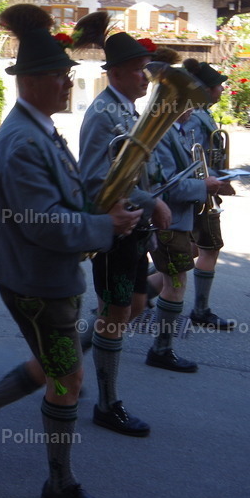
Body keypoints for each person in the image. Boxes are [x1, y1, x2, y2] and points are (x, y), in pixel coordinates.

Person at [0, 4, 141, 498]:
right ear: (32, 80)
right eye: (60, 75)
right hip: (35, 277)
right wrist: (105, 226)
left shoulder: (40, 127)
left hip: (43, 274)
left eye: (68, 74)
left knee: (54, 365)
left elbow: (63, 199)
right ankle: (60, 483)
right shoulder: (25, 138)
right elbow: (43, 222)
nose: (68, 83)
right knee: (68, 378)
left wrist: (103, 210)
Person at [76, 22, 171, 436]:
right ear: (114, 73)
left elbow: (135, 169)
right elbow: (94, 177)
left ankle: (64, 357)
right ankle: (107, 403)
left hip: (133, 226)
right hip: (114, 229)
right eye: (138, 69)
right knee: (115, 314)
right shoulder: (102, 114)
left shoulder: (127, 111)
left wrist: (152, 201)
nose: (144, 76)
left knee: (132, 307)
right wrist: (153, 201)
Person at [145, 103, 228, 373]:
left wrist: (213, 180)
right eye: (185, 102)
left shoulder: (177, 131)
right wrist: (203, 186)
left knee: (173, 279)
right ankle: (160, 349)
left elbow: (185, 174)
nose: (191, 109)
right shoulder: (163, 134)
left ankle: (156, 339)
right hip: (170, 220)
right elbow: (167, 187)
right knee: (176, 282)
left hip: (180, 218)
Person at [180, 59, 237, 330]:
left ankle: (140, 289)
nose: (222, 90)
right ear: (206, 90)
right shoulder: (197, 115)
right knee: (208, 247)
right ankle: (200, 310)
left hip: (201, 189)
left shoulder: (202, 113)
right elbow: (191, 155)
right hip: (200, 193)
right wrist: (214, 180)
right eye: (219, 86)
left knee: (189, 249)